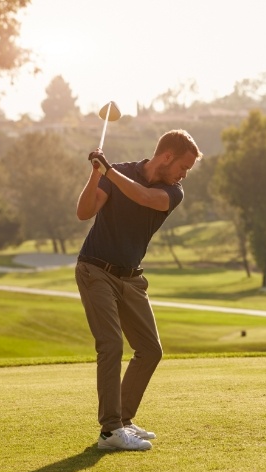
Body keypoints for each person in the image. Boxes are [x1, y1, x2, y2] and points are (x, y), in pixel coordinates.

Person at [75, 129, 203, 451]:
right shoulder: (118, 172)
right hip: (95, 270)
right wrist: (96, 175)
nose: (184, 175)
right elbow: (84, 212)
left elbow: (145, 198)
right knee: (111, 344)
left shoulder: (172, 192)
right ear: (167, 157)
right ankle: (110, 431)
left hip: (131, 278)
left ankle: (124, 420)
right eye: (183, 167)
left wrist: (109, 171)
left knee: (150, 349)